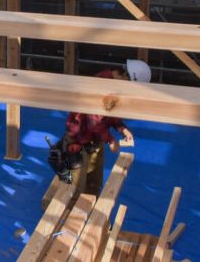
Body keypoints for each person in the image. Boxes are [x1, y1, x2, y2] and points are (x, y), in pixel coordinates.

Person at [59, 59, 151, 195]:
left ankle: (88, 207)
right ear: (125, 77)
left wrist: (121, 128)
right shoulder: (101, 84)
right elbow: (94, 121)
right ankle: (68, 211)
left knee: (93, 184)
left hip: (94, 141)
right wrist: (111, 141)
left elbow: (109, 112)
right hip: (77, 140)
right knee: (74, 188)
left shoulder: (115, 84)